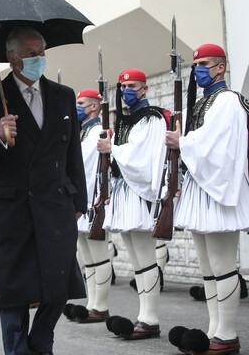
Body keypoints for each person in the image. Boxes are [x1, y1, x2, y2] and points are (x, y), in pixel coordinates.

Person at [0, 26, 87, 355]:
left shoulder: (63, 95)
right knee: (14, 290)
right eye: (31, 54)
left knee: (59, 285)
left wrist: (80, 199)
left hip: (55, 204)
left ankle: (41, 340)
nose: (38, 59)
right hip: (12, 207)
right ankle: (17, 350)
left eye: (42, 52)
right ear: (12, 58)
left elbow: (72, 150)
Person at [166, 44, 249, 354]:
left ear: (221, 68)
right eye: (197, 64)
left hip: (220, 188)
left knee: (223, 264)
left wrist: (182, 142)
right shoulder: (203, 103)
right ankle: (215, 329)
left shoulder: (228, 101)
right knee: (208, 266)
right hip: (202, 189)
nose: (199, 68)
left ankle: (227, 335)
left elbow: (220, 145)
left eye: (206, 64)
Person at [97, 68, 167, 339]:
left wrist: (112, 149)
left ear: (145, 89)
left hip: (140, 193)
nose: (127, 92)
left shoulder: (151, 118)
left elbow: (141, 156)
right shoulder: (127, 120)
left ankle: (150, 318)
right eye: (124, 87)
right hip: (126, 193)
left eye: (133, 86)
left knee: (146, 257)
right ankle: (144, 315)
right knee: (136, 258)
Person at [73, 89, 112, 323]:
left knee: (99, 256)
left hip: (92, 201)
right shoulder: (83, 132)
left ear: (94, 106)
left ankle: (101, 305)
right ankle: (92, 303)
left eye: (81, 103)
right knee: (87, 257)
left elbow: (88, 168)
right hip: (80, 201)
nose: (78, 107)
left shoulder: (98, 132)